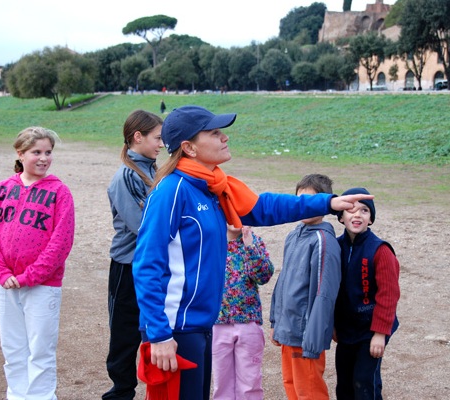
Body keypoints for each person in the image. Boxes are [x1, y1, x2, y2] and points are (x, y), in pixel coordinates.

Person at [132, 105, 373, 400]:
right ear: (189, 148)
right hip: (175, 328)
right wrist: (158, 335)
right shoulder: (172, 191)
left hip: (198, 325)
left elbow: (264, 207)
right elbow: (146, 265)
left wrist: (328, 203)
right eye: (215, 132)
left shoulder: (214, 187)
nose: (225, 137)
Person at [0, 127, 75, 400]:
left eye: (48, 152)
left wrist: (29, 276)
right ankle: (17, 395)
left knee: (40, 350)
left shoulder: (59, 192)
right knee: (13, 349)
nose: (44, 158)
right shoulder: (1, 189)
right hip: (5, 284)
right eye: (37, 152)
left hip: (42, 285)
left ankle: (42, 396)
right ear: (20, 154)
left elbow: (61, 242)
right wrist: (0, 272)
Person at [103, 110, 164, 400]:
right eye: (157, 138)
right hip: (128, 267)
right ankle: (121, 393)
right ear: (137, 137)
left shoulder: (153, 170)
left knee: (155, 331)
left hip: (152, 265)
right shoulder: (127, 176)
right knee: (125, 336)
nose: (161, 144)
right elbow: (144, 227)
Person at [269, 173, 342, 400]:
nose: (304, 207)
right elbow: (284, 281)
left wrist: (313, 338)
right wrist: (275, 321)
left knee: (309, 392)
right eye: (300, 201)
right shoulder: (294, 235)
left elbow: (324, 294)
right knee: (291, 385)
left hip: (305, 336)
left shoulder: (323, 241)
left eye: (311, 201)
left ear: (324, 203)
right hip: (288, 330)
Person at [333, 187, 400, 400]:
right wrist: (333, 324)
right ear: (341, 217)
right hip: (346, 328)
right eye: (351, 210)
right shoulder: (335, 246)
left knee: (364, 381)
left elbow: (388, 295)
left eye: (364, 211)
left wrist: (380, 333)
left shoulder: (380, 250)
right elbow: (331, 290)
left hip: (371, 329)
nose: (357, 215)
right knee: (344, 382)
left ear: (370, 219)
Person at [212, 224, 274, 400]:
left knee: (250, 382)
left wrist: (250, 247)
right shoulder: (213, 243)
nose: (235, 220)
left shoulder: (253, 242)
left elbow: (264, 276)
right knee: (221, 382)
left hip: (248, 322)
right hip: (217, 322)